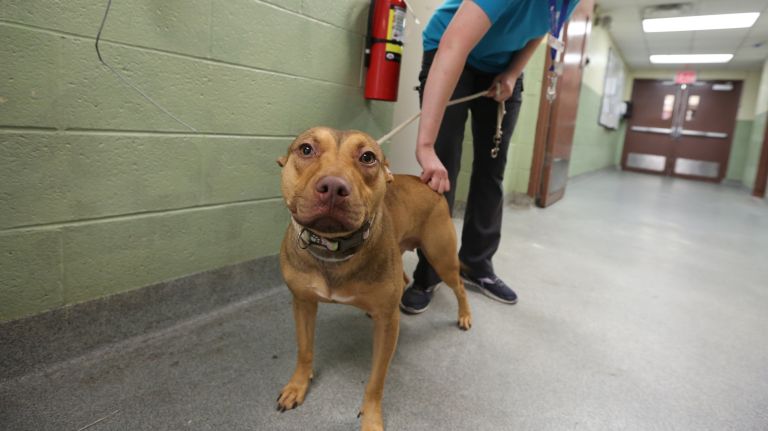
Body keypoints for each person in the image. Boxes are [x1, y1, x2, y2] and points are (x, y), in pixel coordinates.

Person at [400, 0, 579, 314]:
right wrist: (426, 146)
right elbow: (454, 45)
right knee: (443, 166)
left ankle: (476, 263)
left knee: (492, 168)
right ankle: (430, 272)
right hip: (451, 48)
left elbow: (542, 28)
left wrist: (512, 73)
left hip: (501, 65)